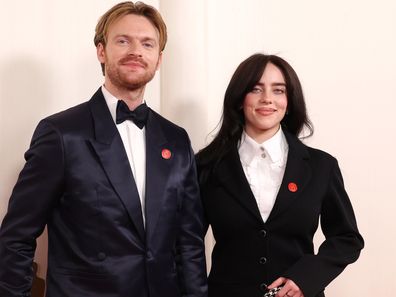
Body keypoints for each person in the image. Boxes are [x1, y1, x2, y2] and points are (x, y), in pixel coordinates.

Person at [0, 2, 208, 297]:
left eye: (147, 44)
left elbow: (189, 245)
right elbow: (17, 237)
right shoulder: (61, 134)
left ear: (159, 59)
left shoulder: (176, 140)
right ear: (101, 50)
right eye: (123, 41)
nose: (136, 51)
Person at [196, 53, 364, 297]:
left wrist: (307, 278)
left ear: (289, 101)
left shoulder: (321, 166)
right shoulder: (207, 165)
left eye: (278, 90)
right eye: (256, 89)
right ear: (239, 99)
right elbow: (186, 244)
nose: (267, 99)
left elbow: (347, 238)